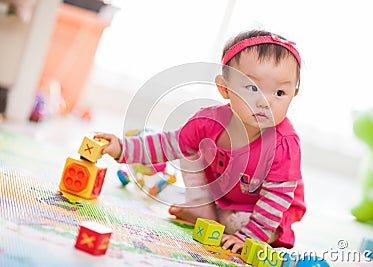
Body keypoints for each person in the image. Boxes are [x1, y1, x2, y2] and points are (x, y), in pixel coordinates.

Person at [96, 29, 306, 253]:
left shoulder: (283, 144)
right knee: (191, 145)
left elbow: (277, 197)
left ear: (293, 94)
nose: (265, 102)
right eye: (252, 88)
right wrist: (121, 148)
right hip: (222, 197)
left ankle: (236, 224)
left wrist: (250, 238)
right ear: (224, 88)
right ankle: (202, 207)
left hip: (264, 210)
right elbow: (169, 144)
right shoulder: (207, 122)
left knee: (239, 225)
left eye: (280, 93)